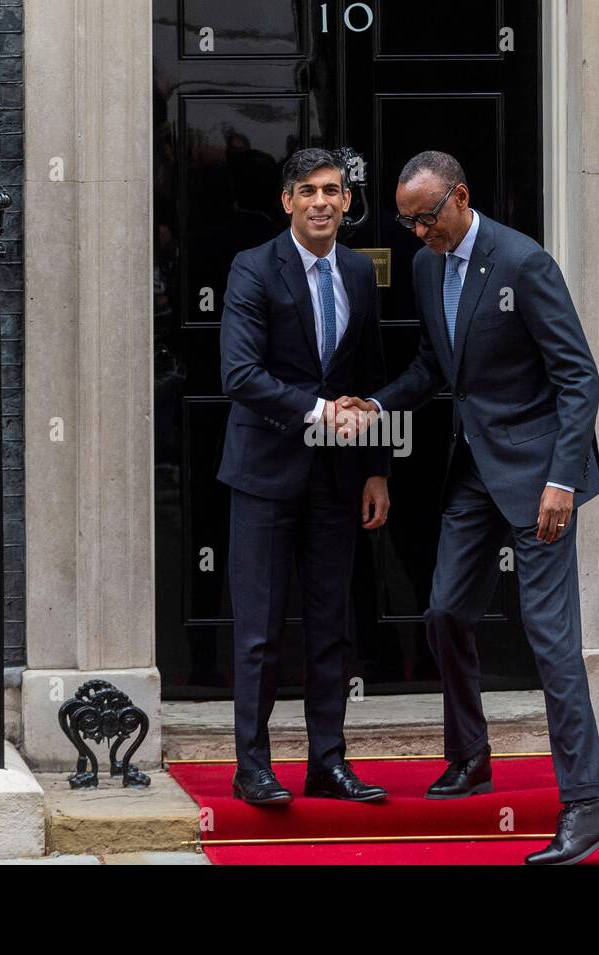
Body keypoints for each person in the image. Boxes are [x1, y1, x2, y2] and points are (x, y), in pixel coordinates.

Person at [340, 150, 599, 863]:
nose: (416, 233)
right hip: (472, 467)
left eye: (426, 218)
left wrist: (563, 479)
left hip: (540, 478)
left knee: (550, 637)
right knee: (443, 611)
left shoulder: (524, 263)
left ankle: (587, 805)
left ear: (460, 197)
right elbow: (436, 369)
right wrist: (376, 403)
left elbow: (578, 377)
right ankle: (470, 754)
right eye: (407, 222)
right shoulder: (428, 266)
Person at [217, 147, 389, 805]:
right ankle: (252, 766)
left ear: (347, 201)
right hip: (263, 472)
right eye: (308, 190)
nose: (322, 201)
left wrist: (376, 470)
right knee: (258, 630)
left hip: (338, 480)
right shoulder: (253, 268)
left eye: (333, 190)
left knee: (330, 625)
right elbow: (239, 374)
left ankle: (327, 762)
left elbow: (368, 373)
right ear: (287, 200)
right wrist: (319, 411)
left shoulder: (358, 271)